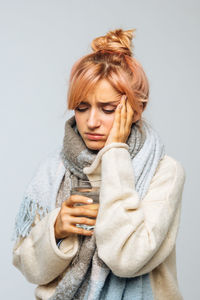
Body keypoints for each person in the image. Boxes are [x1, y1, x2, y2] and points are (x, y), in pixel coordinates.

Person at [12, 28, 186, 300]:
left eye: (107, 109)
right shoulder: (53, 170)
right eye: (82, 107)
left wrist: (115, 154)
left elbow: (126, 258)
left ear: (135, 108)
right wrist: (55, 230)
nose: (92, 122)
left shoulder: (164, 172)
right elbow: (26, 265)